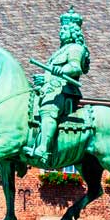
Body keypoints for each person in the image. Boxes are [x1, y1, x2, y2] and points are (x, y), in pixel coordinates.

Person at [30, 12, 89, 163]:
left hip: (64, 91)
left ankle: (43, 148)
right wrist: (44, 79)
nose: (60, 32)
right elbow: (52, 75)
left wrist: (62, 70)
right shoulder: (60, 51)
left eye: (64, 29)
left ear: (72, 31)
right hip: (51, 89)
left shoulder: (75, 48)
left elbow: (76, 67)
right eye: (61, 29)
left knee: (48, 110)